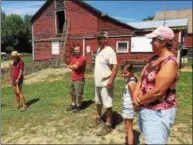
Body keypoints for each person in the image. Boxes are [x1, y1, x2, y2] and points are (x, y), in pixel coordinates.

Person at [133, 26, 179, 144]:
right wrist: (135, 96)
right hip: (146, 107)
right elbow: (141, 78)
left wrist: (139, 101)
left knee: (155, 142)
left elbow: (158, 91)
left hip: (158, 111)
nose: (151, 43)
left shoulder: (169, 62)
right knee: (150, 139)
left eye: (154, 40)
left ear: (163, 42)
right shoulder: (153, 58)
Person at [94, 31, 118, 136]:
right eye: (97, 38)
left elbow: (115, 66)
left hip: (105, 82)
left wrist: (111, 79)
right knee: (98, 102)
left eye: (101, 38)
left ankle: (108, 124)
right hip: (98, 82)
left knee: (107, 104)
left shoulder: (110, 51)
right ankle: (99, 117)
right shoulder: (99, 50)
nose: (98, 40)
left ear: (106, 39)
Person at [121, 62, 137, 145]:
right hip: (127, 107)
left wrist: (136, 108)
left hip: (129, 108)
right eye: (122, 73)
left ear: (132, 71)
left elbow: (135, 98)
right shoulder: (130, 81)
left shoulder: (131, 83)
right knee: (128, 127)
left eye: (125, 73)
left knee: (129, 129)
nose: (123, 75)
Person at [67, 46, 86, 113]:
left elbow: (76, 67)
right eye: (75, 50)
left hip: (79, 79)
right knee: (72, 92)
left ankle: (79, 106)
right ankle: (73, 104)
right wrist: (73, 66)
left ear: (80, 50)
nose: (76, 51)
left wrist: (73, 66)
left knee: (79, 94)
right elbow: (69, 65)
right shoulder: (73, 58)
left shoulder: (82, 58)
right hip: (72, 78)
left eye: (77, 50)